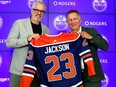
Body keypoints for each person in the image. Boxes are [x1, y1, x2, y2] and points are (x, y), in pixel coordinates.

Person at [6, 1, 49, 87]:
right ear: (31, 10)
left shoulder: (46, 30)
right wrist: (27, 40)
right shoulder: (19, 24)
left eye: (42, 11)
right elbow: (9, 43)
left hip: (36, 73)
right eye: (36, 10)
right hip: (19, 71)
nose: (39, 13)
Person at [66, 10, 109, 87]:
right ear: (67, 22)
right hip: (74, 79)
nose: (73, 22)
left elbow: (105, 46)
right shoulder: (66, 39)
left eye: (75, 19)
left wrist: (91, 37)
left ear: (80, 19)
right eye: (70, 20)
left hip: (92, 78)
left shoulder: (91, 31)